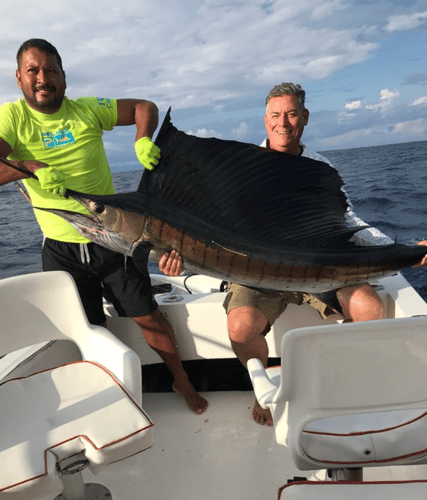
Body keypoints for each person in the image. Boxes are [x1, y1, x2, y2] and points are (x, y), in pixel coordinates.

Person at [0, 38, 208, 415]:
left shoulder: (87, 109)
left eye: (51, 70)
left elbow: (145, 106)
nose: (42, 78)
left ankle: (182, 380)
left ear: (64, 77)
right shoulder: (11, 119)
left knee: (149, 317)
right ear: (19, 78)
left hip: (113, 239)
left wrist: (142, 138)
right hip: (61, 248)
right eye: (33, 70)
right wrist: (32, 167)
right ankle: (109, 393)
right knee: (88, 328)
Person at [222, 82, 427, 425]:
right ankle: (263, 388)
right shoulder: (246, 168)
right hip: (261, 273)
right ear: (265, 120)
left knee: (368, 307)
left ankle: (334, 375)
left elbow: (349, 221)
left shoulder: (320, 166)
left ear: (304, 116)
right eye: (275, 115)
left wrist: (402, 250)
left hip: (320, 269)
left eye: (290, 114)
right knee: (240, 327)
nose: (282, 123)